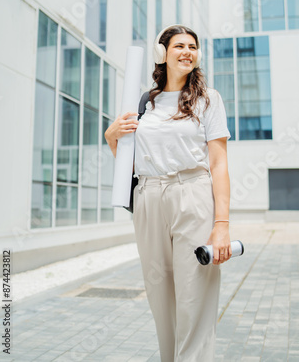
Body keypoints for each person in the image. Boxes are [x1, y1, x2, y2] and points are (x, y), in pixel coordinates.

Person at [104, 24, 232, 362]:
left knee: (195, 291)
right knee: (159, 293)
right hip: (148, 197)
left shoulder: (208, 100)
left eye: (193, 46)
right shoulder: (145, 103)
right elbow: (130, 166)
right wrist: (111, 137)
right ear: (163, 53)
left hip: (192, 194)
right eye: (179, 46)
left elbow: (218, 165)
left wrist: (222, 225)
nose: (187, 52)